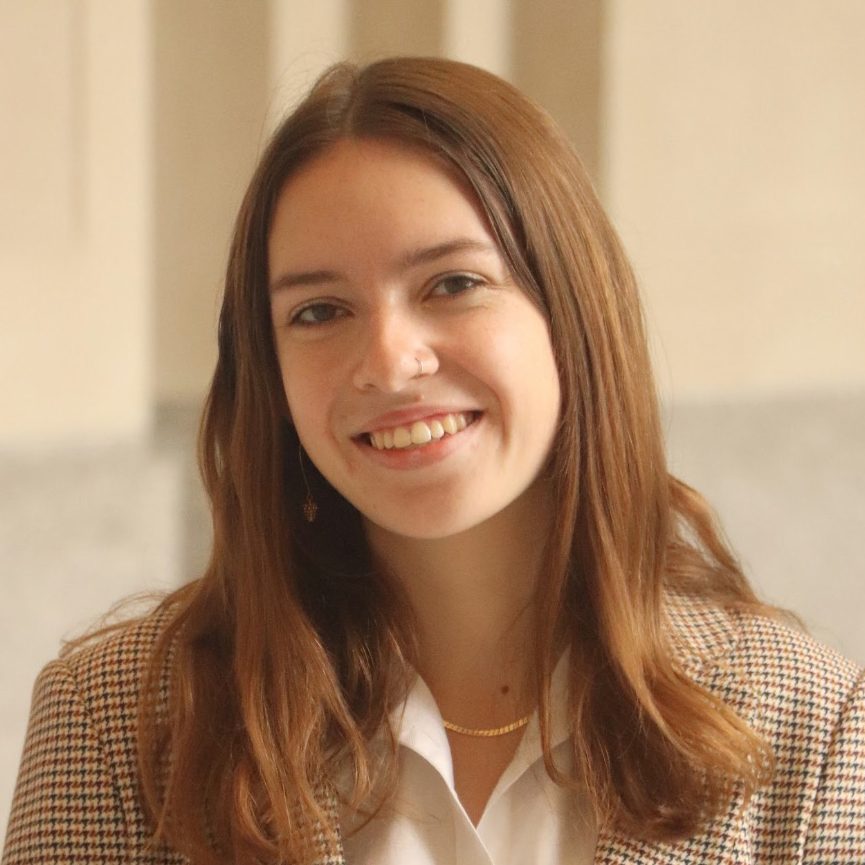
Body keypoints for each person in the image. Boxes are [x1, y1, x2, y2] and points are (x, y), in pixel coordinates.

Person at [3, 56, 864, 865]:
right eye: (319, 310)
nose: (386, 360)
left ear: (572, 314)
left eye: (451, 284)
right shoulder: (116, 721)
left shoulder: (808, 723)